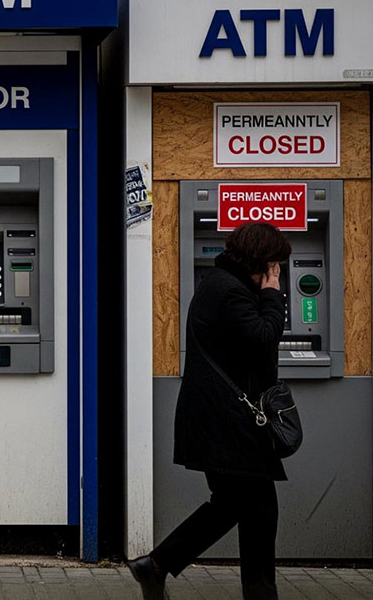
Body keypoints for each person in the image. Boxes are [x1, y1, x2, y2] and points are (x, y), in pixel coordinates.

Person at [128, 221, 291, 600]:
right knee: (255, 508)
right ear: (262, 260)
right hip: (227, 422)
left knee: (242, 506)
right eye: (275, 264)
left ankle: (155, 566)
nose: (278, 271)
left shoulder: (222, 286)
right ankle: (159, 565)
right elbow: (265, 338)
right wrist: (272, 294)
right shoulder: (229, 292)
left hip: (222, 419)